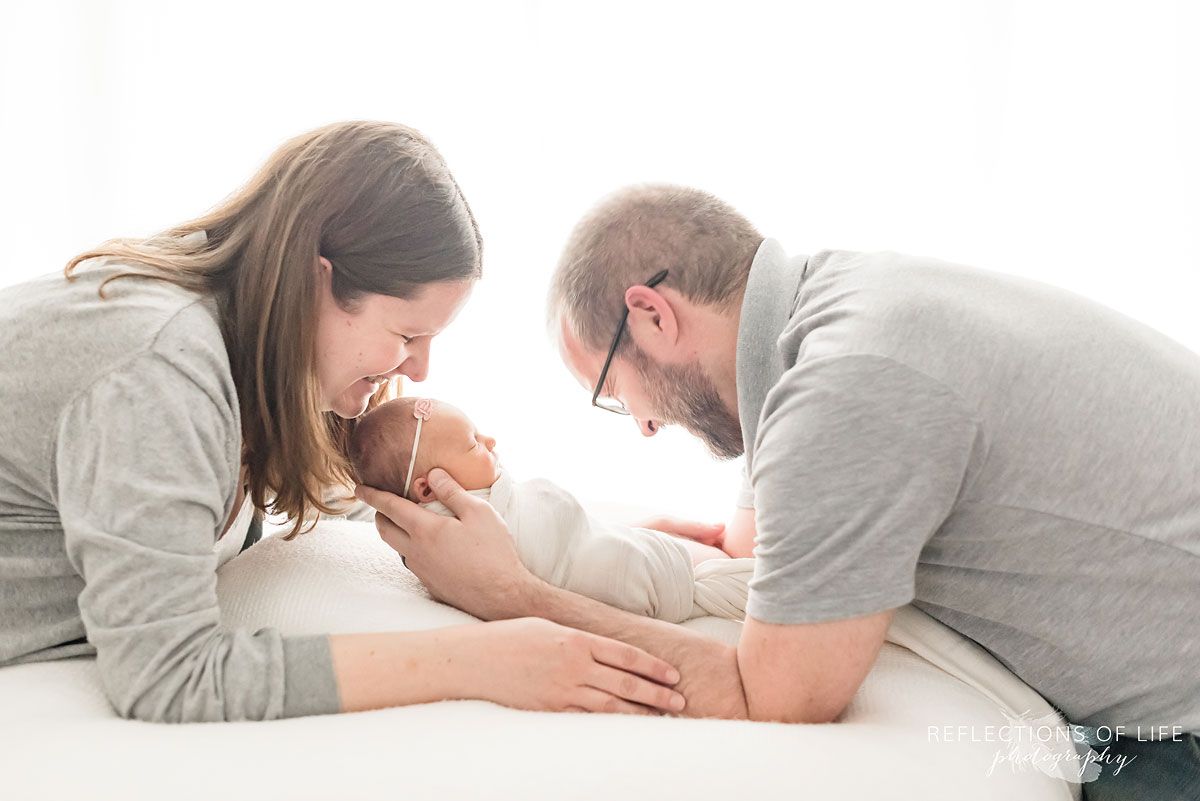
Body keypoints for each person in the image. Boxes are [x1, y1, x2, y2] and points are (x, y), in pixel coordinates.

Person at [355, 183, 1199, 796]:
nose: (643, 427)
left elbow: (777, 697)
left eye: (614, 394)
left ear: (651, 314)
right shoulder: (829, 306)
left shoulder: (847, 388)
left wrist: (508, 593)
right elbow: (753, 544)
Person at [0, 122, 694, 723]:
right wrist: (480, 660)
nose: (418, 370)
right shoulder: (159, 373)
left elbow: (365, 494)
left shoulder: (249, 370)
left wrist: (580, 540)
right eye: (407, 334)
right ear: (317, 282)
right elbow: (168, 673)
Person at [348, 396, 743, 622]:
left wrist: (635, 528)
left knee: (709, 557)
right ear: (428, 489)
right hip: (631, 574)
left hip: (616, 545)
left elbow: (568, 531)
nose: (490, 440)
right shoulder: (459, 536)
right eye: (472, 444)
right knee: (716, 566)